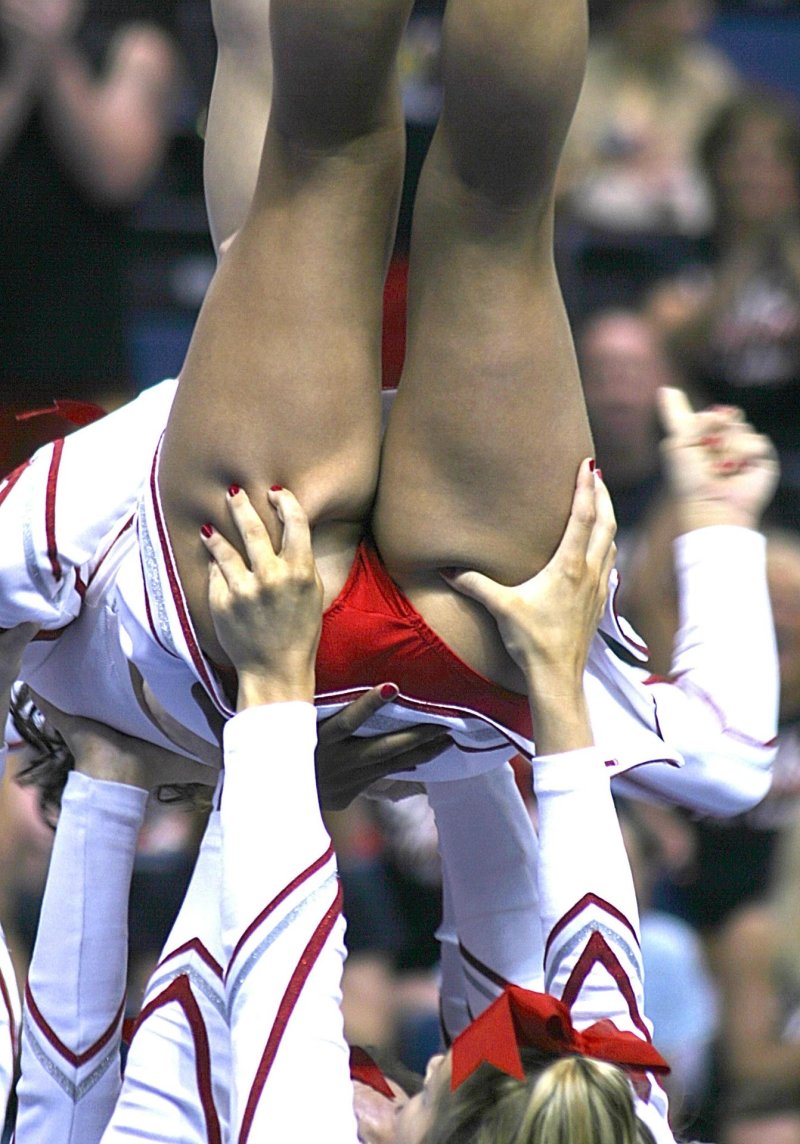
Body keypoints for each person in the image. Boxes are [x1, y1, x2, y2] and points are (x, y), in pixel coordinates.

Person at [0, 0, 779, 822]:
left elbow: (732, 764)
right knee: (317, 161)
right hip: (259, 587)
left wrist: (718, 521)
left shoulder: (76, 686)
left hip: (461, 653)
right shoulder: (65, 674)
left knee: (491, 208)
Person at [17, 469, 676, 1142]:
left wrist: (256, 715)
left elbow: (268, 981)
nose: (435, 1061)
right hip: (279, 758)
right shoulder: (590, 1113)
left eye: (423, 1098)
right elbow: (585, 1002)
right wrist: (513, 699)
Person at [0, 0, 182, 472]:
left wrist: (50, 53)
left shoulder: (130, 32)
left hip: (82, 360)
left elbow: (118, 173)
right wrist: (21, 70)